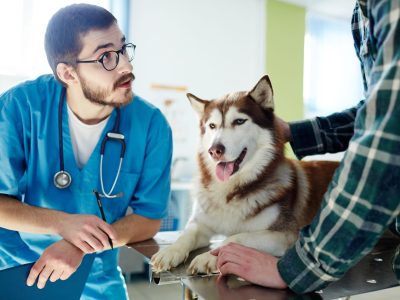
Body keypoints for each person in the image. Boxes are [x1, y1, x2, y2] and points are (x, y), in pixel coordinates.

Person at [211, 0, 400, 293]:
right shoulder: (360, 16)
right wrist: (295, 133)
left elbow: (385, 141)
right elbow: (377, 111)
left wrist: (299, 267)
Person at [0, 3, 172, 299]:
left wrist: (80, 243)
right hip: (20, 271)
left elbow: (149, 218)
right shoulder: (20, 108)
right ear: (68, 73)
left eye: (124, 49)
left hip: (98, 277)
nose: (126, 66)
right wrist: (64, 224)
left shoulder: (151, 125)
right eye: (106, 57)